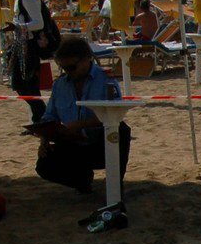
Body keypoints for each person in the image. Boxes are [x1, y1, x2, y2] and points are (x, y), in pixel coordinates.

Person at [32, 36, 130, 195]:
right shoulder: (60, 84)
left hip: (100, 142)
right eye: (64, 68)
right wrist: (44, 140)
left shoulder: (106, 79)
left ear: (86, 60)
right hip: (72, 143)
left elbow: (115, 114)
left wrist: (79, 125)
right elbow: (49, 116)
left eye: (71, 67)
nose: (68, 72)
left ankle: (116, 185)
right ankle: (82, 181)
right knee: (44, 166)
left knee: (122, 131)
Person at [1, 0, 49, 122]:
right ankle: (40, 117)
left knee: (26, 86)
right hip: (22, 46)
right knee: (23, 86)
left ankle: (42, 117)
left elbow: (39, 23)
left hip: (29, 47)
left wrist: (17, 27)